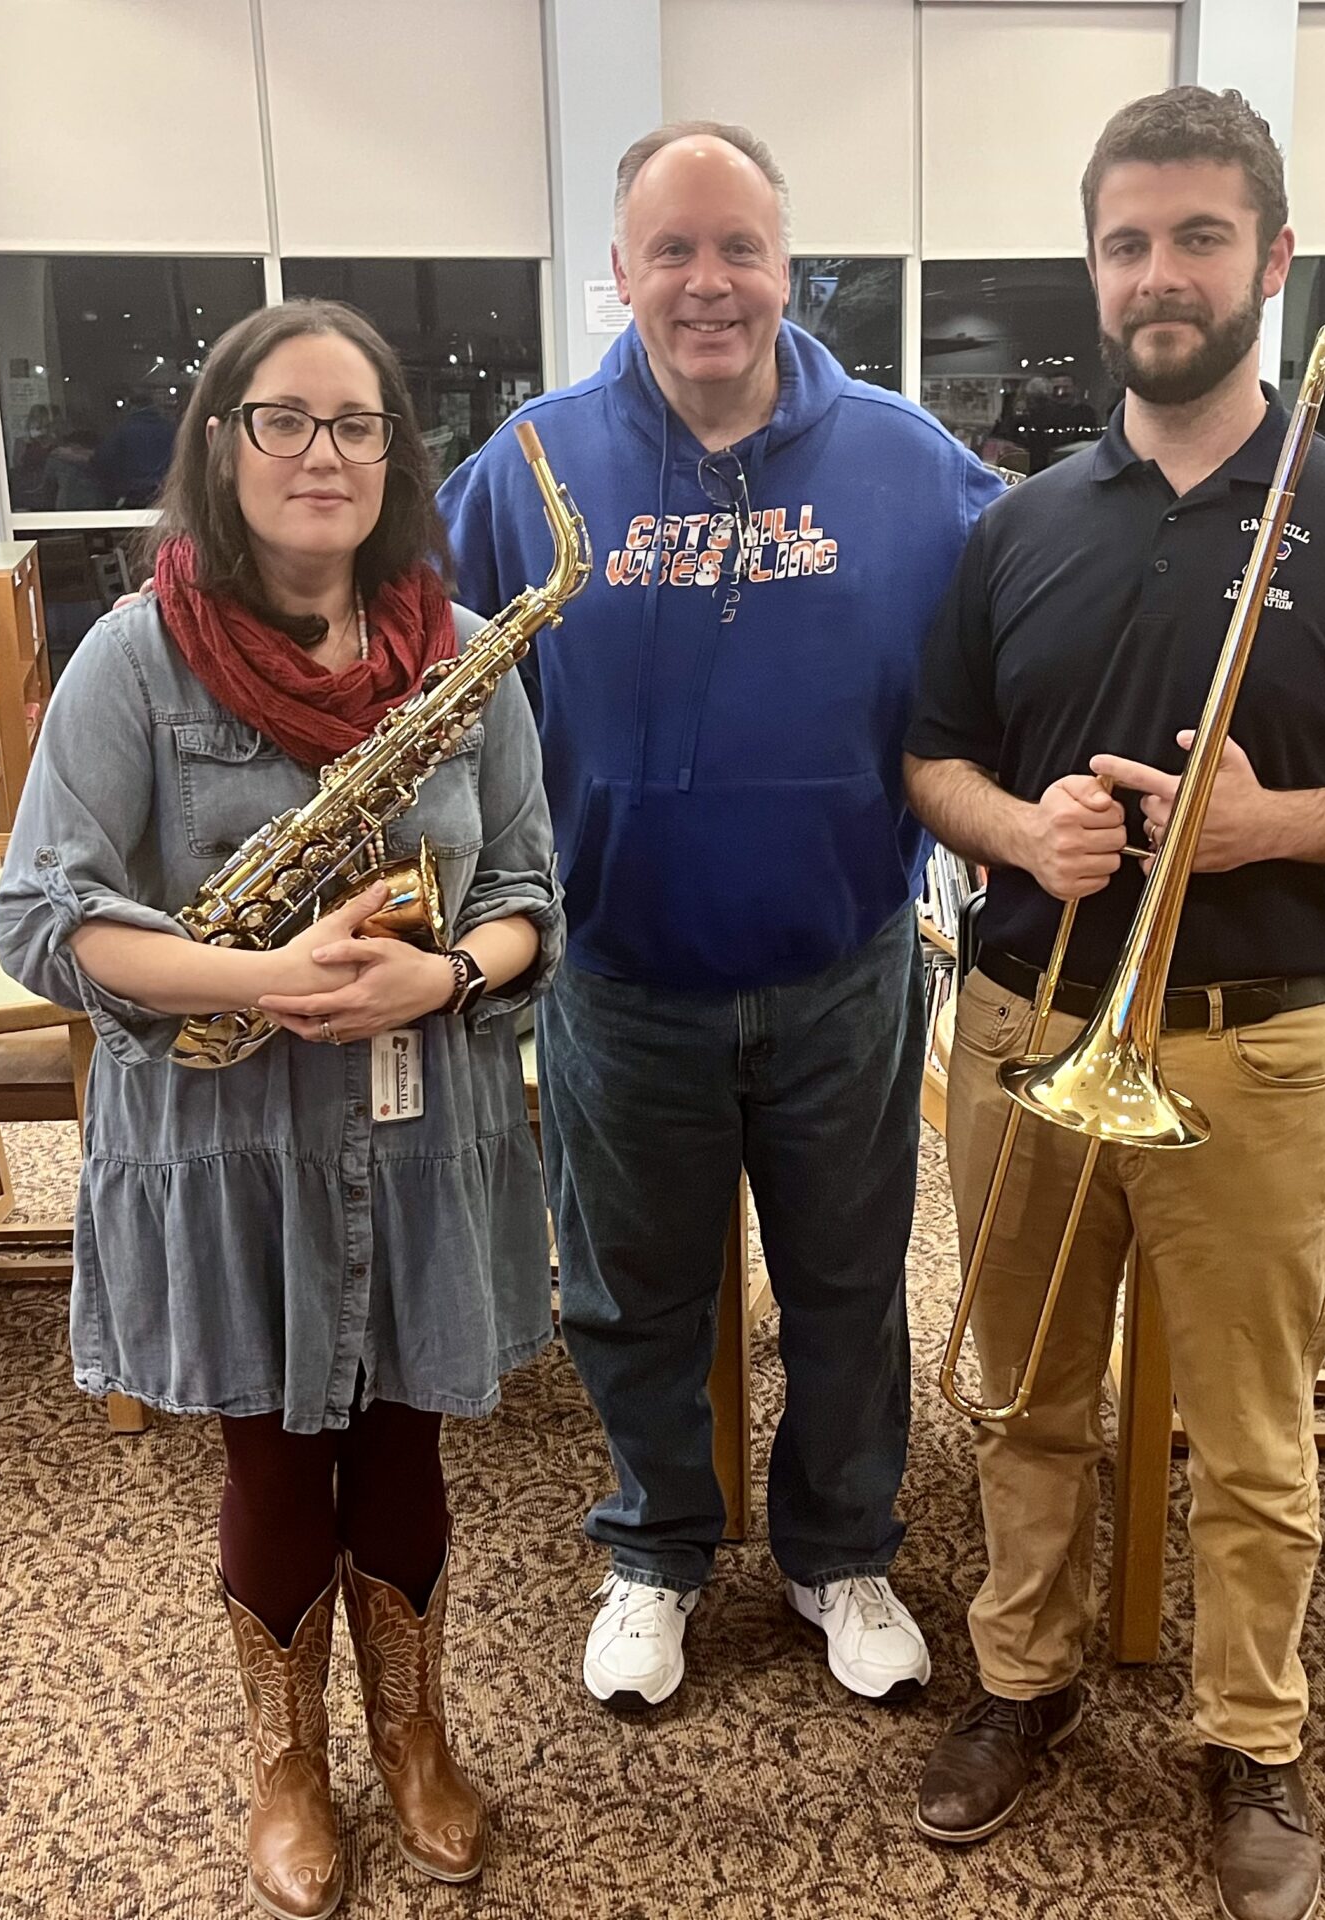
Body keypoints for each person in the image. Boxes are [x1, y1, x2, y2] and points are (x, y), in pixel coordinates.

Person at [901, 88, 1325, 1920]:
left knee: (1252, 1433)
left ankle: (1252, 1740)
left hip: (1251, 1047)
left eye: (1198, 238)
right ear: (1096, 269)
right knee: (1032, 1407)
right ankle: (1025, 1684)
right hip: (1027, 1027)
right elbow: (931, 757)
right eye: (1128, 243)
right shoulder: (1018, 528)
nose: (1160, 276)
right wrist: (1024, 828)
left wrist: (1268, 826)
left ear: (1274, 258)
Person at [0, 298, 560, 1918]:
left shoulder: (459, 657)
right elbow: (45, 918)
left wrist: (445, 975)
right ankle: (287, 1764)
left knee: (404, 1437)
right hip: (226, 1139)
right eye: (286, 420)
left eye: (357, 424)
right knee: (270, 1453)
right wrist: (252, 980)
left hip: (417, 1118)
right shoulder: (134, 653)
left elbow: (530, 886)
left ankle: (416, 1740)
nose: (324, 454)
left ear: (397, 453)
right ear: (224, 445)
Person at [438, 122, 1001, 1714]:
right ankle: (655, 1548)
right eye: (671, 251)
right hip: (618, 975)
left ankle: (840, 1549)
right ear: (618, 272)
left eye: (738, 248)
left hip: (843, 966)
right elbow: (420, 665)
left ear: (786, 266)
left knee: (845, 1278)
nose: (706, 283)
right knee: (629, 1289)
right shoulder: (530, 463)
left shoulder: (907, 462)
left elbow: (1024, 639)